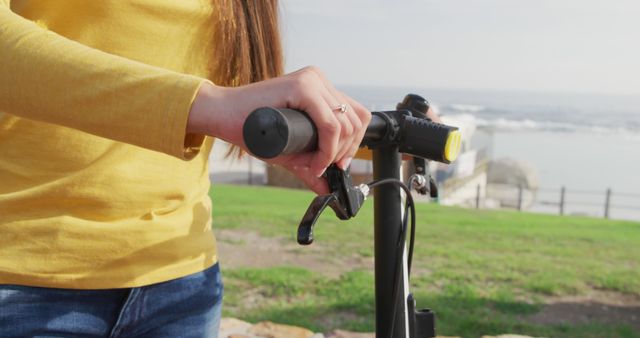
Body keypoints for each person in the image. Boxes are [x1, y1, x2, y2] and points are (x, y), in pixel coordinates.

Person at [0, 1, 371, 337]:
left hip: (181, 284)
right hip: (21, 276)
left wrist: (369, 131)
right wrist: (206, 104)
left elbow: (234, 96)